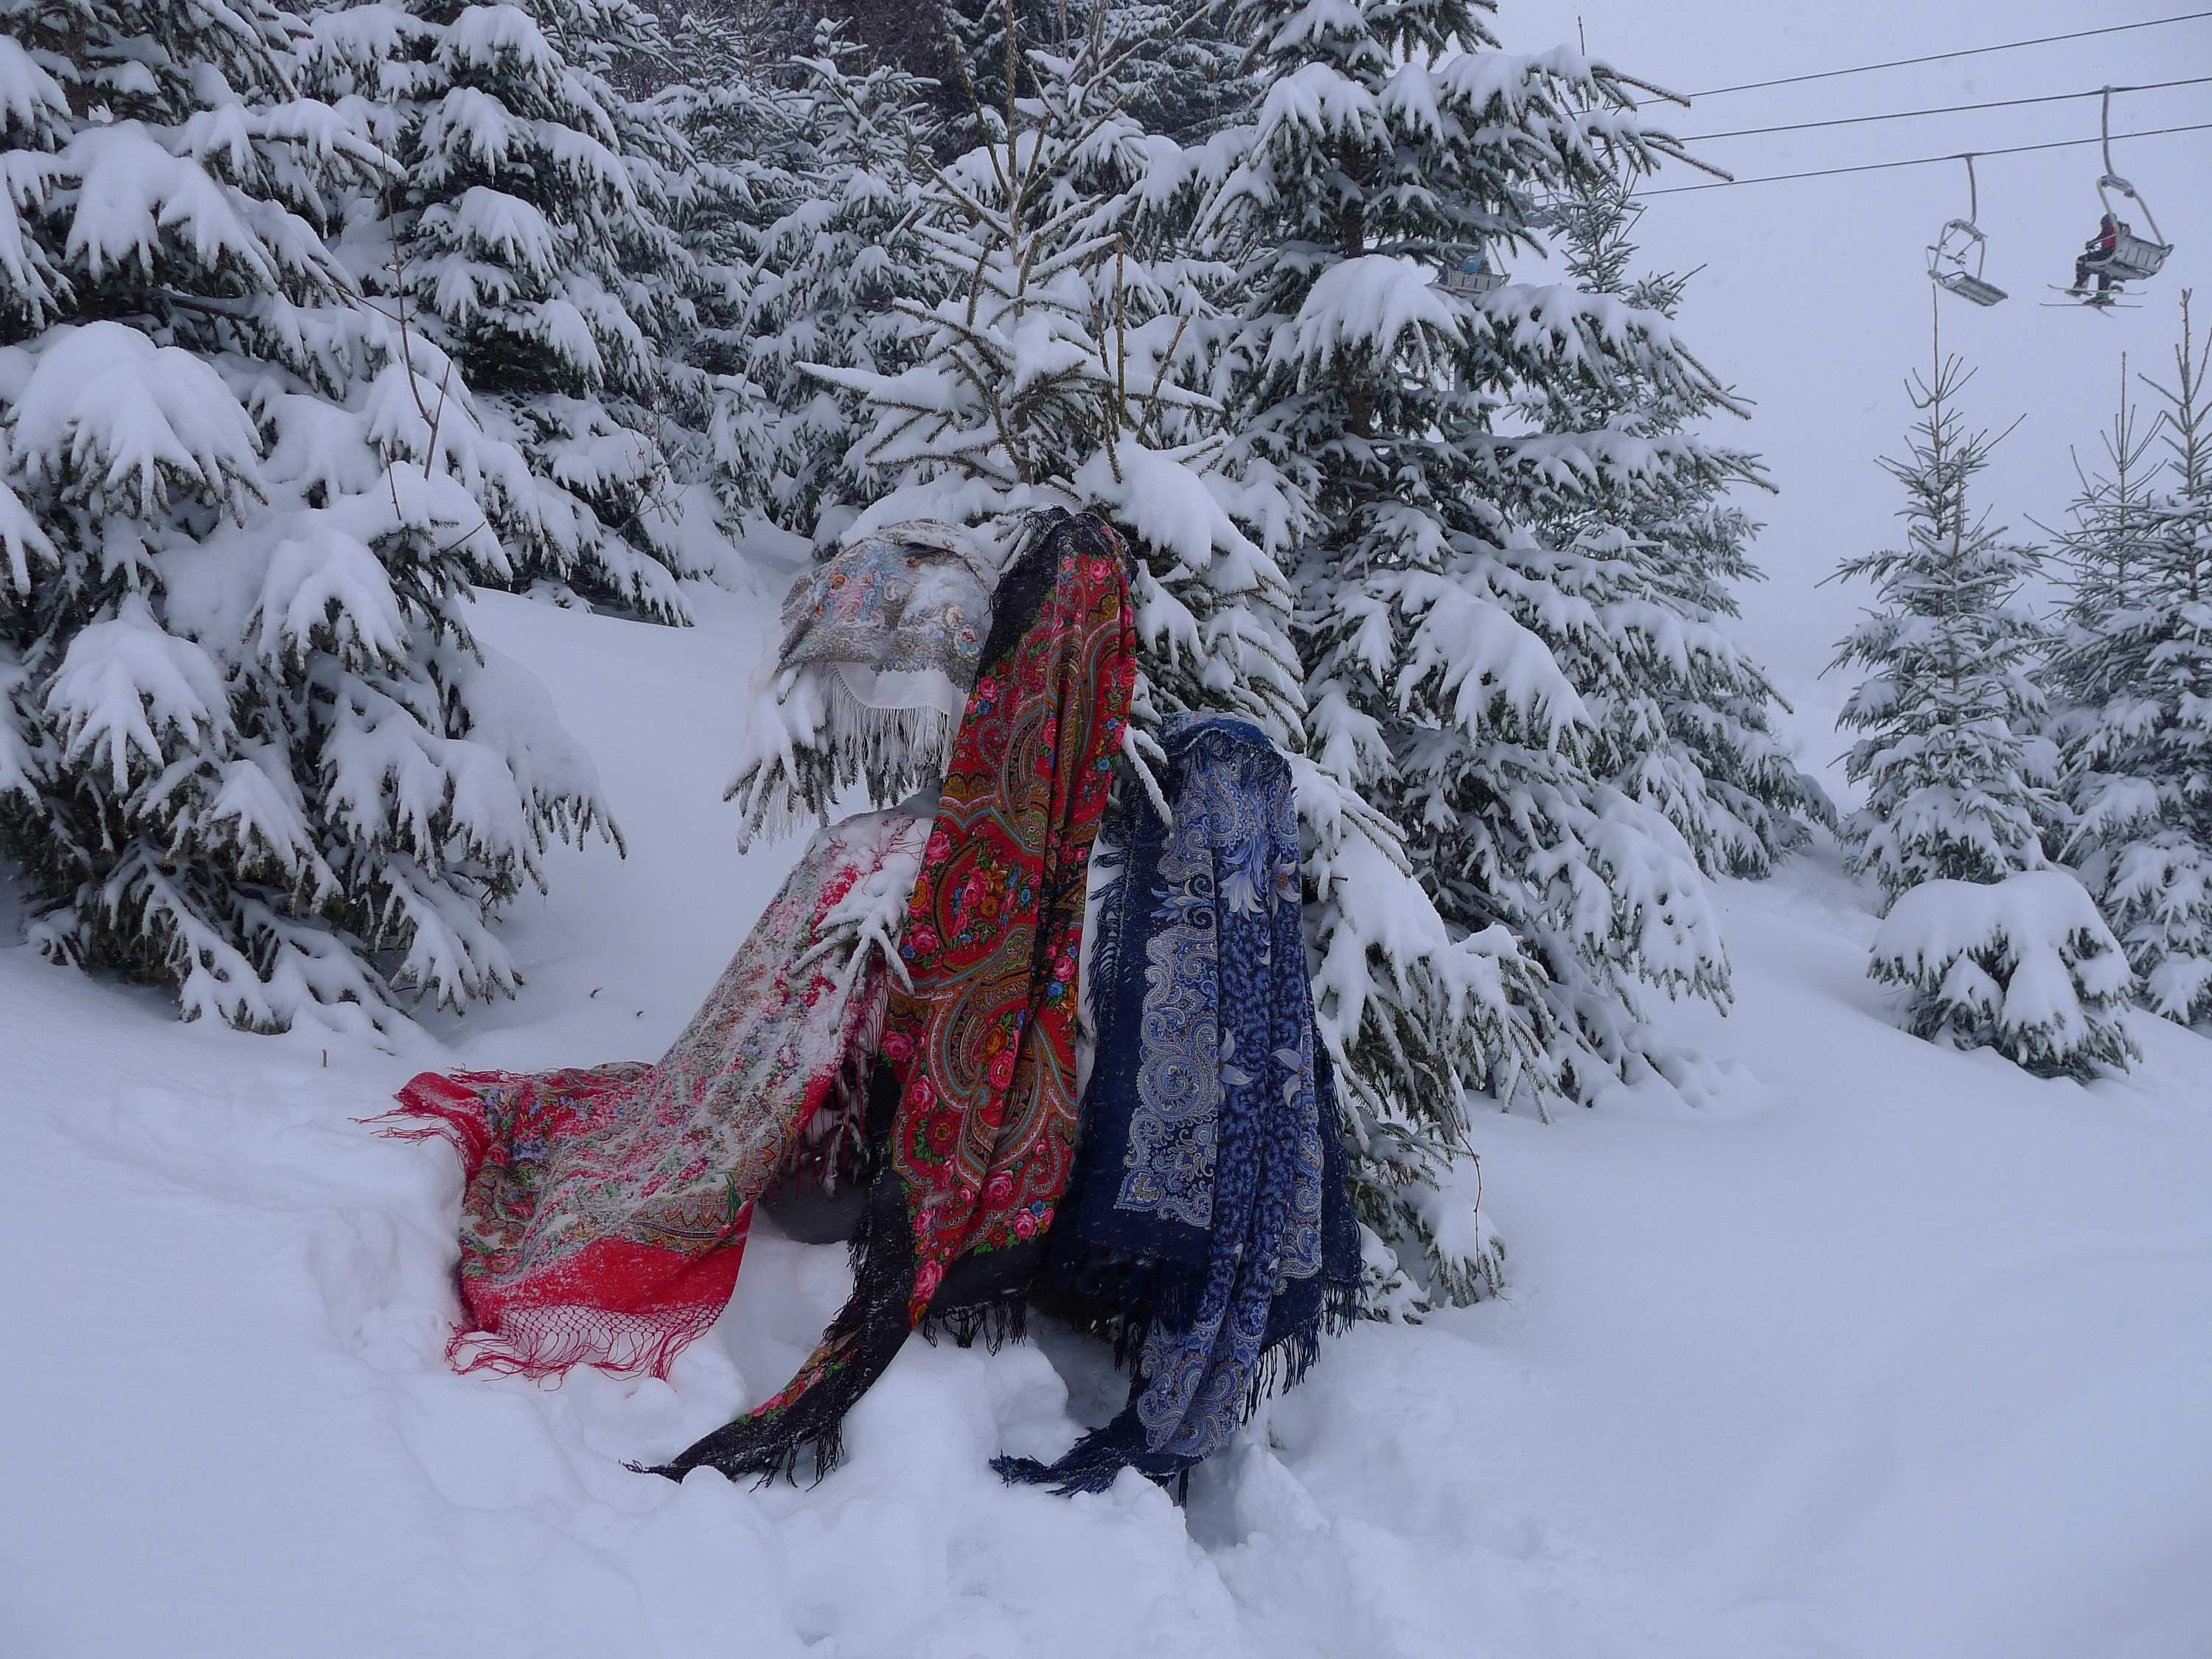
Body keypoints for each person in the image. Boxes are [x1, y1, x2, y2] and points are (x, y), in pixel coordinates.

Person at [2073, 213, 2120, 296]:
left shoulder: (2110, 229)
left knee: (2082, 260)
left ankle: (2080, 285)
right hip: (2115, 256)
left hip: (2107, 253)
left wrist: (2091, 244)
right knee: (2105, 270)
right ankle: (2103, 293)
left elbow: (2100, 238)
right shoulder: (2121, 230)